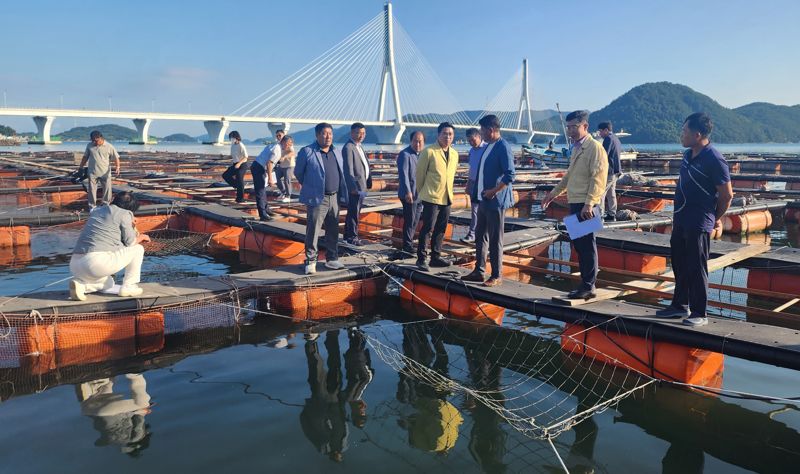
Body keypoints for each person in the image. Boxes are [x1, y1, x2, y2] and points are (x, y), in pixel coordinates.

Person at [656, 113, 732, 327]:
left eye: (684, 132)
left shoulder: (714, 158)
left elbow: (727, 195)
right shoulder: (689, 155)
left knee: (697, 267)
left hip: (699, 221)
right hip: (681, 218)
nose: (681, 135)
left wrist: (714, 218)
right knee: (679, 262)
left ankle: (700, 312)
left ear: (697, 135)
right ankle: (680, 305)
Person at [542, 110, 608, 299]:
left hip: (586, 205)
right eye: (568, 127)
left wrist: (589, 203)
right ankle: (585, 284)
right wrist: (553, 194)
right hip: (575, 202)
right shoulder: (577, 148)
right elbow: (569, 176)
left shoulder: (595, 148)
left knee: (587, 246)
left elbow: (599, 178)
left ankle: (589, 286)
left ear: (585, 126)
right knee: (578, 245)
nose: (570, 131)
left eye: (574, 127)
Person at [460, 115, 515, 287]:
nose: (481, 133)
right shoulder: (488, 146)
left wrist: (494, 191)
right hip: (483, 199)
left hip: (495, 200)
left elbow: (510, 175)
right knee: (479, 235)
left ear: (491, 130)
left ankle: (497, 274)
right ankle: (479, 270)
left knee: (494, 238)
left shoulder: (502, 147)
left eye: (482, 130)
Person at [69, 191, 150, 301]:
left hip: (75, 265)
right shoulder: (125, 213)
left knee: (109, 283)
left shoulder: (97, 210)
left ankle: (83, 286)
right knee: (138, 249)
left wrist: (129, 223)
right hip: (96, 263)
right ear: (131, 208)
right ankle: (129, 286)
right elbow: (130, 242)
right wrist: (142, 237)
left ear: (114, 200)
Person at [294, 123, 349, 275]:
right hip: (318, 198)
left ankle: (332, 258)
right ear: (317, 135)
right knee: (313, 230)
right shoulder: (308, 151)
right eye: (324, 133)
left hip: (335, 197)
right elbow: (298, 172)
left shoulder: (336, 152)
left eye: (330, 133)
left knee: (333, 229)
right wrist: (312, 187)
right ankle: (311, 260)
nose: (328, 136)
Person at [415, 122, 458, 271]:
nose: (447, 137)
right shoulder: (429, 152)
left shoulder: (454, 153)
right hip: (431, 197)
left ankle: (436, 257)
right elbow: (419, 176)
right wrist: (423, 193)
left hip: (447, 196)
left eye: (450, 134)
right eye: (445, 134)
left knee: (441, 228)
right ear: (438, 134)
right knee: (428, 228)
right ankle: (421, 259)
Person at [396, 131, 425, 255]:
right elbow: (404, 175)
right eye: (415, 141)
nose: (418, 144)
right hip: (409, 194)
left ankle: (410, 242)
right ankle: (407, 245)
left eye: (420, 141)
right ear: (411, 141)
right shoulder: (405, 154)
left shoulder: (422, 154)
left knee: (415, 220)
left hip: (420, 195)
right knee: (410, 219)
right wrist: (408, 192)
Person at [342, 122, 371, 246]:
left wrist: (369, 181)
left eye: (363, 133)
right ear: (352, 133)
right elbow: (348, 169)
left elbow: (364, 165)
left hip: (362, 185)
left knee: (355, 211)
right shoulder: (348, 147)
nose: (361, 135)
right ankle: (352, 237)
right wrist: (352, 187)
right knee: (354, 212)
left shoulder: (359, 146)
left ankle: (347, 235)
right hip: (356, 187)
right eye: (358, 133)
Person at [78, 130, 121, 210]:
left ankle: (105, 205)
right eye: (92, 140)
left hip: (105, 173)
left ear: (101, 138)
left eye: (96, 140)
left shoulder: (109, 146)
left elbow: (116, 157)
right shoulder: (89, 145)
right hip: (92, 172)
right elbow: (85, 157)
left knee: (107, 190)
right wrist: (81, 167)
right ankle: (92, 206)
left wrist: (117, 167)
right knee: (91, 190)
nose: (94, 142)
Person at [252, 130, 284, 220]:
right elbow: (269, 163)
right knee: (260, 190)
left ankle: (266, 209)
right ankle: (262, 214)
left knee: (262, 189)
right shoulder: (277, 148)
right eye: (277, 135)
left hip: (259, 166)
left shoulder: (276, 146)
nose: (279, 137)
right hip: (259, 167)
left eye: (280, 135)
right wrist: (270, 178)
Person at [461, 128, 485, 243]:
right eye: (469, 140)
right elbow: (472, 168)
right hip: (473, 184)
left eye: (473, 140)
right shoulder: (472, 150)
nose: (471, 142)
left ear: (479, 136)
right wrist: (468, 184)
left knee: (484, 211)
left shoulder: (486, 148)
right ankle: (472, 234)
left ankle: (482, 234)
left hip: (484, 185)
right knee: (474, 210)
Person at [597, 121, 623, 221]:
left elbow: (603, 156)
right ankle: (612, 213)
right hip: (617, 170)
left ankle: (600, 215)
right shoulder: (616, 139)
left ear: (606, 130)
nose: (600, 134)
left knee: (601, 193)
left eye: (600, 131)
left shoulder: (608, 139)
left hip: (609, 171)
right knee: (611, 193)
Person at [221, 131, 248, 203]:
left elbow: (246, 157)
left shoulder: (241, 145)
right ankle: (236, 185)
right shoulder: (233, 145)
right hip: (235, 164)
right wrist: (224, 157)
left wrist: (239, 163)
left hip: (242, 165)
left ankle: (240, 198)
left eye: (232, 138)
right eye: (230, 138)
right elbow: (231, 156)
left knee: (239, 176)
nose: (231, 139)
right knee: (225, 175)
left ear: (236, 137)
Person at [277, 134, 296, 202]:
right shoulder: (279, 145)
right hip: (281, 165)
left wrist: (284, 157)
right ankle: (283, 192)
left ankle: (288, 196)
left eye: (289, 142)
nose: (287, 143)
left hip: (289, 165)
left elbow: (293, 153)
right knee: (277, 178)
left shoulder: (290, 145)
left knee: (287, 180)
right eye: (286, 142)